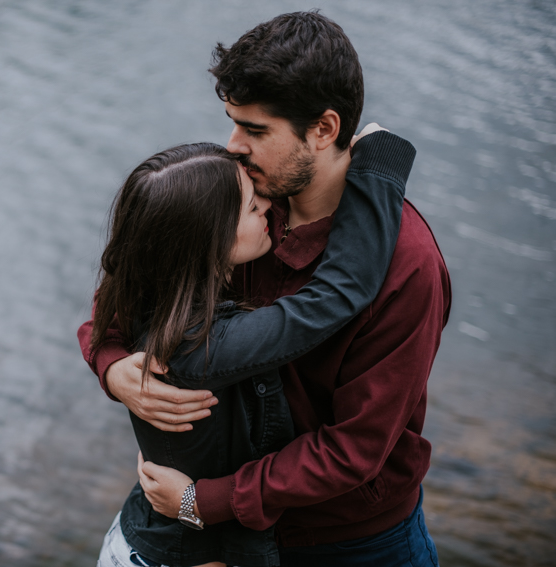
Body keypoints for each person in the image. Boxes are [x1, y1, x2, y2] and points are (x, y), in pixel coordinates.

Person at [80, 11, 450, 567]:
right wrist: (112, 365)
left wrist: (202, 501)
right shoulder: (231, 200)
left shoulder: (408, 265)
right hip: (218, 535)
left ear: (324, 130)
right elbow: (136, 281)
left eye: (254, 130)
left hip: (347, 543)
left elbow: (357, 448)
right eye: (231, 122)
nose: (233, 147)